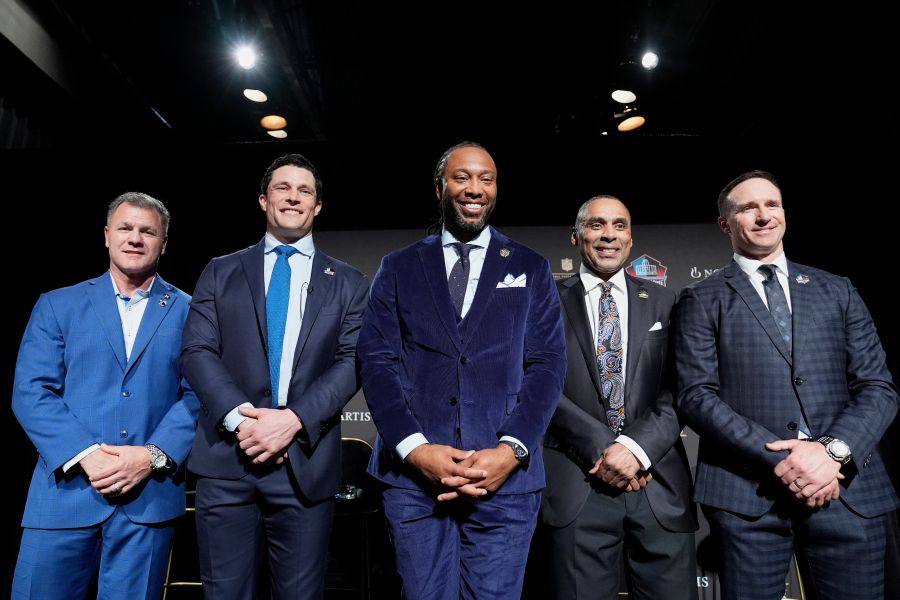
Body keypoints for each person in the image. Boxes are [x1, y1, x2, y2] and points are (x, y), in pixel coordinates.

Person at [674, 170, 899, 600]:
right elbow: (696, 396)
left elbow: (878, 387)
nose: (764, 216)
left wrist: (831, 453)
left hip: (847, 491)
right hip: (749, 499)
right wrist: (789, 461)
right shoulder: (701, 298)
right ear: (725, 223)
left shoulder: (837, 290)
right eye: (748, 208)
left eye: (772, 204)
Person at [357, 141, 567, 600]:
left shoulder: (530, 266)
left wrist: (510, 451)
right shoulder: (398, 266)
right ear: (439, 188)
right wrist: (415, 450)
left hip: (506, 481)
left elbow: (548, 365)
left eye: (486, 179)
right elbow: (376, 362)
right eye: (462, 177)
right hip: (413, 482)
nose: (475, 188)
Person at [181, 153, 368, 600]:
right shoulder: (220, 271)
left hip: (304, 466)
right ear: (264, 200)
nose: (294, 197)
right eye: (283, 188)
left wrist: (293, 421)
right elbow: (197, 351)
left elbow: (353, 362)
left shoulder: (350, 282)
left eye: (305, 191)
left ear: (317, 206)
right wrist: (243, 422)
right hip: (227, 461)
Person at [11, 192, 199, 599]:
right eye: (125, 228)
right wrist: (86, 454)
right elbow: (31, 391)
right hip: (64, 497)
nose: (135, 238)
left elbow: (198, 395)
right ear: (106, 235)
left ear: (164, 243)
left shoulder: (192, 312)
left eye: (148, 231)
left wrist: (151, 455)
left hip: (146, 502)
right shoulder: (58, 305)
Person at [541, 195, 698, 599]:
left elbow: (683, 386)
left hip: (657, 482)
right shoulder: (542, 301)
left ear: (630, 238)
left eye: (619, 225)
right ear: (575, 236)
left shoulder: (667, 301)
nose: (608, 235)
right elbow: (537, 384)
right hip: (577, 482)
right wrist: (606, 449)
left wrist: (635, 449)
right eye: (596, 225)